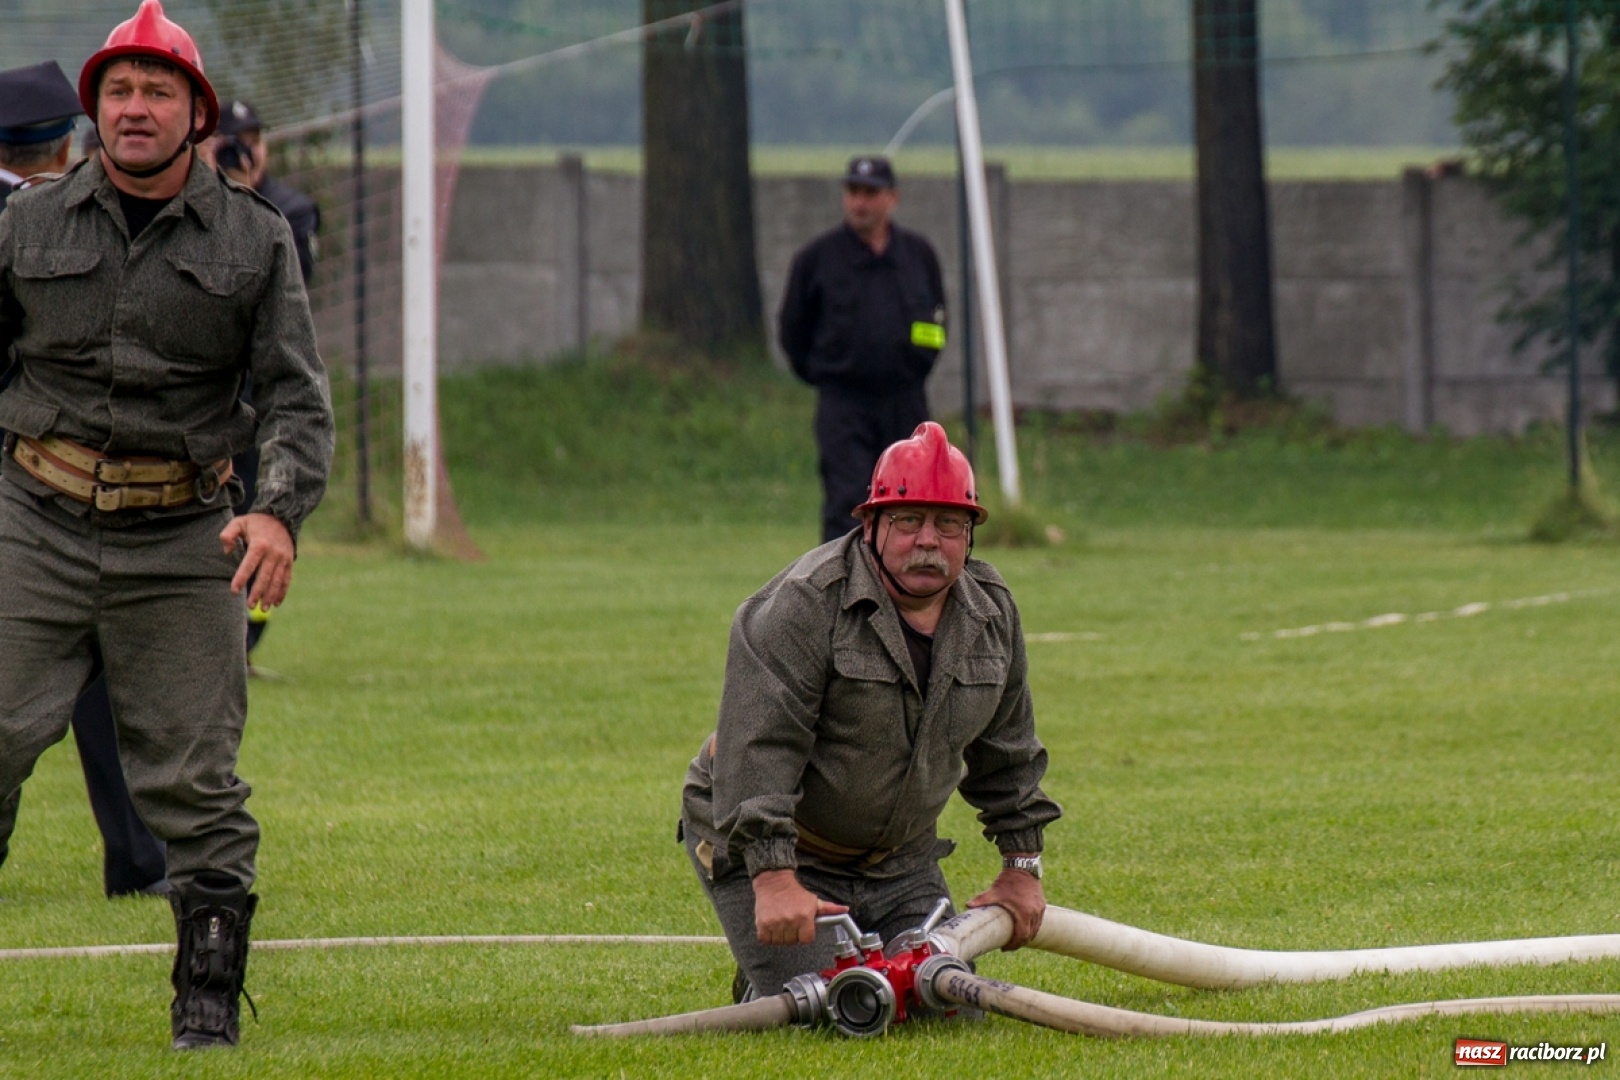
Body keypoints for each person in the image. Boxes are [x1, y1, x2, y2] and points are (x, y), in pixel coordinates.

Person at [0, 0, 334, 1051]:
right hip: (33, 518)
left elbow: (296, 397)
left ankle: (206, 1001)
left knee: (195, 784)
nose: (135, 108)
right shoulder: (25, 224)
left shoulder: (256, 238)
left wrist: (277, 513)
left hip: (185, 533)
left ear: (197, 115)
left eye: (157, 91)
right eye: (118, 91)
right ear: (93, 110)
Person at [679, 421, 1060, 1002]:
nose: (928, 541)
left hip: (901, 863)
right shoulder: (804, 604)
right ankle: (767, 977)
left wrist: (1022, 866)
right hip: (785, 849)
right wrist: (774, 877)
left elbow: (1008, 749)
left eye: (949, 524)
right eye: (908, 520)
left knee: (941, 1004)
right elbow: (760, 747)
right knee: (840, 1003)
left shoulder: (991, 612)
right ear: (872, 524)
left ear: (970, 535)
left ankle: (791, 967)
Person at [0, 60, 170, 899]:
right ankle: (139, 856)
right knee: (103, 669)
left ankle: (141, 855)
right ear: (67, 141)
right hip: (49, 491)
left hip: (37, 489)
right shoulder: (62, 220)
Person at [200, 99, 321, 666]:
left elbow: (295, 290)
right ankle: (219, 639)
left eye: (251, 138)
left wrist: (244, 199)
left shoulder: (288, 210)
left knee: (263, 510)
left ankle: (247, 639)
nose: (243, 150)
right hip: (207, 404)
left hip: (258, 399)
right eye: (232, 140)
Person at [779, 155, 948, 543]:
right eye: (853, 192)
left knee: (911, 499)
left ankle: (905, 578)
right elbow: (793, 331)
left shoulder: (918, 256)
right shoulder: (817, 259)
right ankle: (844, 580)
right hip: (844, 405)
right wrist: (825, 374)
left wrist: (914, 365)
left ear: (892, 197)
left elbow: (936, 327)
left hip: (905, 401)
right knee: (849, 503)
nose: (860, 202)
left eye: (870, 193)